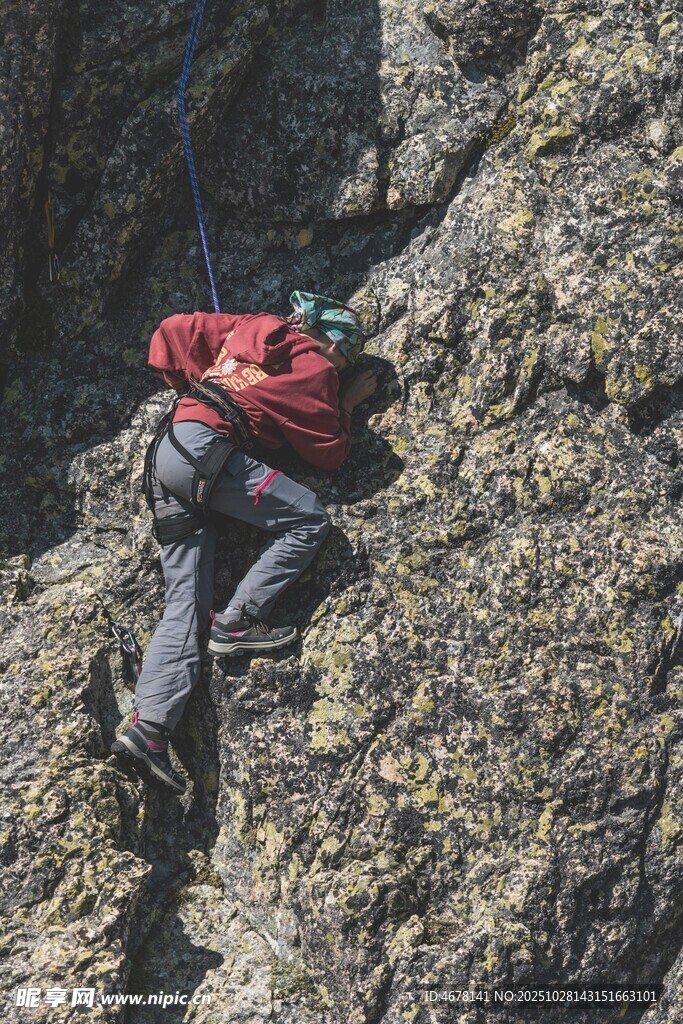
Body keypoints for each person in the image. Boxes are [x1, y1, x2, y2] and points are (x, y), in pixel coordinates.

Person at [111, 291, 377, 793]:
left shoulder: (247, 328)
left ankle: (148, 730)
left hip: (168, 449)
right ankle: (237, 621)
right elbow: (329, 453)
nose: (343, 366)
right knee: (307, 519)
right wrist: (344, 402)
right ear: (331, 343)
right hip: (204, 450)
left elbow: (171, 332)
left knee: (185, 604)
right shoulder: (315, 366)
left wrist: (203, 378)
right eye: (348, 355)